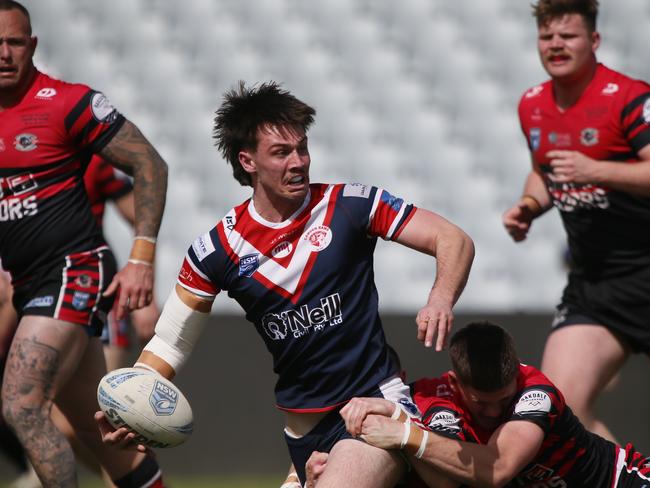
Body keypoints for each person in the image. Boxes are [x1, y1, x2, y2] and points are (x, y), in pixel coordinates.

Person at [98, 81, 475, 487]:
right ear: (248, 161)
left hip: (374, 404)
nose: (298, 162)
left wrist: (440, 297)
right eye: (281, 152)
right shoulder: (217, 249)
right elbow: (170, 342)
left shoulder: (349, 206)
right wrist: (131, 401)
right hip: (302, 432)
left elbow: (453, 239)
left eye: (302, 148)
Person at [0, 1, 168, 487]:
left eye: (15, 42)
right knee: (106, 438)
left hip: (74, 271)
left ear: (32, 46)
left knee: (21, 406)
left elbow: (150, 165)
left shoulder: (65, 102)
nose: (6, 53)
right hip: (30, 285)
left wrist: (141, 258)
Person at [502, 0, 650, 441]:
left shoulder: (628, 98)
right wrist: (529, 205)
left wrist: (596, 169)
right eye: (547, 37)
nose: (556, 45)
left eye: (568, 36)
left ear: (595, 41)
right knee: (560, 411)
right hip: (597, 283)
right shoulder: (532, 104)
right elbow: (545, 170)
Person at [320, 322, 650, 487]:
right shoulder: (434, 398)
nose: (493, 412)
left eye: (503, 400)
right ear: (454, 383)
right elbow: (446, 481)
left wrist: (405, 433)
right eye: (480, 402)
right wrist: (394, 413)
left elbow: (498, 468)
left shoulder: (536, 393)